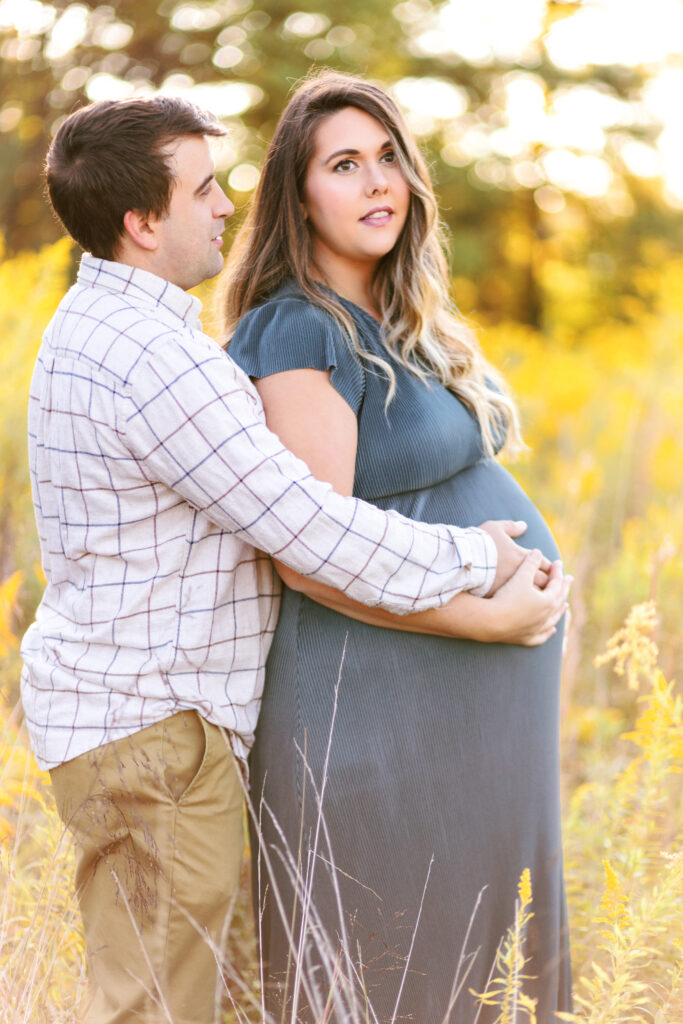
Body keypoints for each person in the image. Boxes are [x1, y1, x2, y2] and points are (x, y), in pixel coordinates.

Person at [20, 95, 565, 1024]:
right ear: (142, 221)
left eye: (386, 157)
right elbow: (309, 532)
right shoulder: (164, 357)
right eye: (202, 189)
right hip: (159, 725)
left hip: (144, 722)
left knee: (154, 994)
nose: (225, 207)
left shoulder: (120, 333)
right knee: (154, 1004)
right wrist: (477, 569)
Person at [225, 72, 573, 1023]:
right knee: (395, 969)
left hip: (461, 710)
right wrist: (490, 623)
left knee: (483, 960)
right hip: (377, 710)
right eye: (343, 164)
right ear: (298, 198)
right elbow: (310, 555)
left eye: (388, 159)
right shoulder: (298, 331)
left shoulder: (403, 321)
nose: (378, 182)